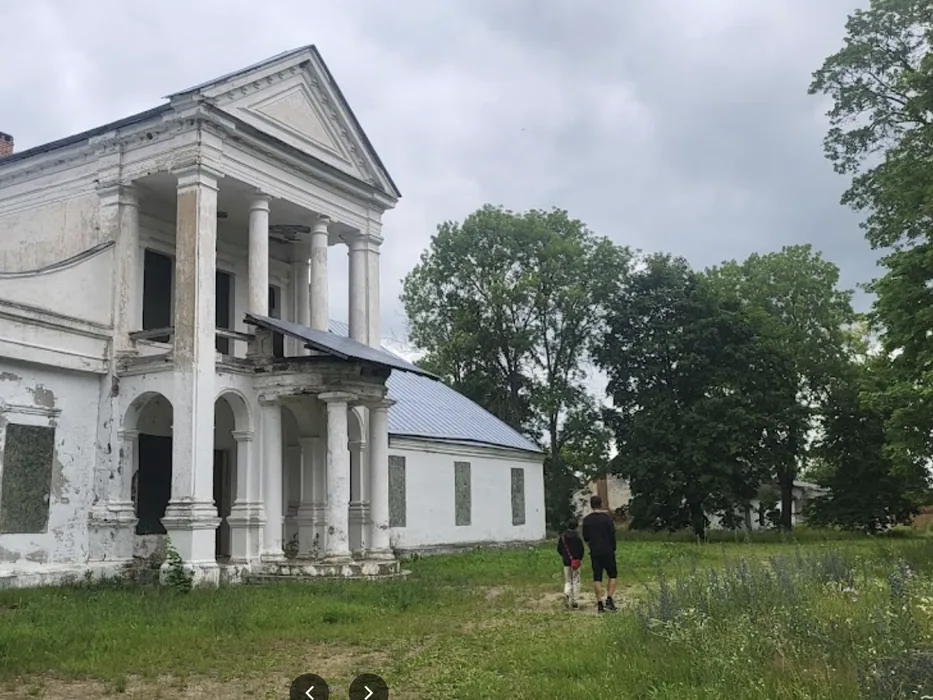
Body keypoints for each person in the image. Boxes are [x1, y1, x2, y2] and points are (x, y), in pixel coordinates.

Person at [582, 494, 618, 613]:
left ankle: (599, 603)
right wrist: (613, 547)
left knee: (597, 577)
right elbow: (612, 534)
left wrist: (592, 546)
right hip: (608, 550)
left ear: (591, 505)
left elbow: (586, 538)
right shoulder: (607, 519)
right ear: (601, 504)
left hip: (595, 551)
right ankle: (609, 599)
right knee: (612, 575)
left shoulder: (587, 520)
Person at [556, 518, 585, 609]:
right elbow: (581, 550)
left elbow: (559, 549)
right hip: (575, 561)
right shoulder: (577, 538)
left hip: (566, 562)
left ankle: (567, 593)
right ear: (576, 527)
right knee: (576, 580)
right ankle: (575, 601)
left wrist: (564, 556)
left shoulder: (562, 537)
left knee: (568, 580)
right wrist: (579, 558)